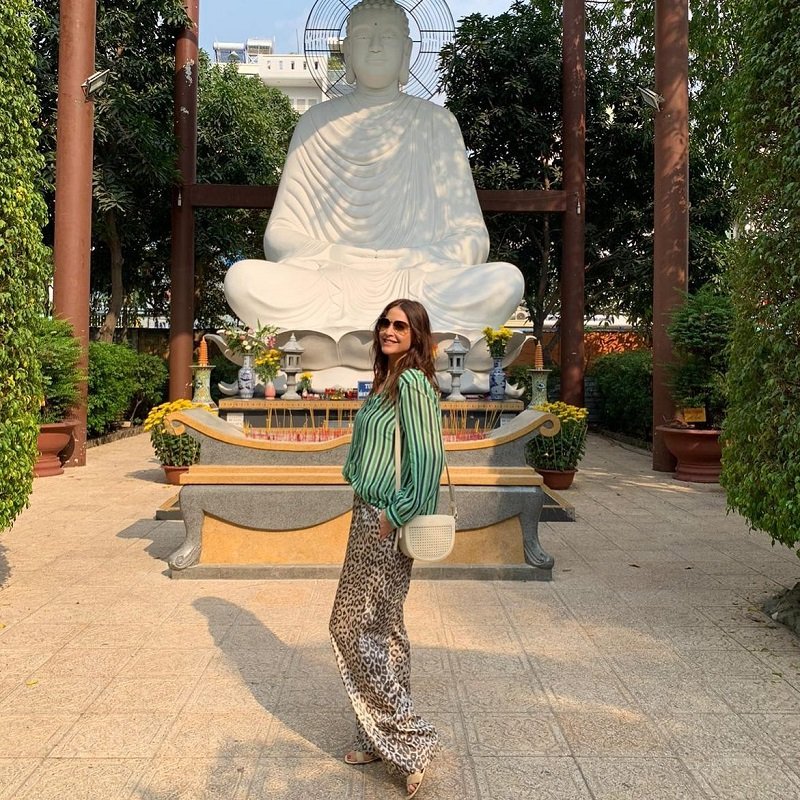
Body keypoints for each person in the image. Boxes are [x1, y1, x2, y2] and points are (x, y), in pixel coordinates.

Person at [224, 0, 524, 336]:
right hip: (333, 278)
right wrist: (339, 254)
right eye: (365, 37)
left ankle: (337, 339)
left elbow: (473, 238)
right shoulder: (316, 123)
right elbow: (279, 235)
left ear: (406, 52)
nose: (377, 46)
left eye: (390, 37)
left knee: (505, 281)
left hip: (418, 278)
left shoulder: (438, 124)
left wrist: (413, 258)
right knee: (242, 279)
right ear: (348, 52)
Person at [329, 298, 443, 798]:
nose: (389, 330)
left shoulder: (413, 384)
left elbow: (428, 459)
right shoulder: (386, 381)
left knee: (349, 625)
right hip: (369, 513)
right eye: (385, 322)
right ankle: (378, 737)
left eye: (401, 325)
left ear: (417, 335)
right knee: (386, 628)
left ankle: (410, 739)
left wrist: (391, 515)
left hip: (384, 520)